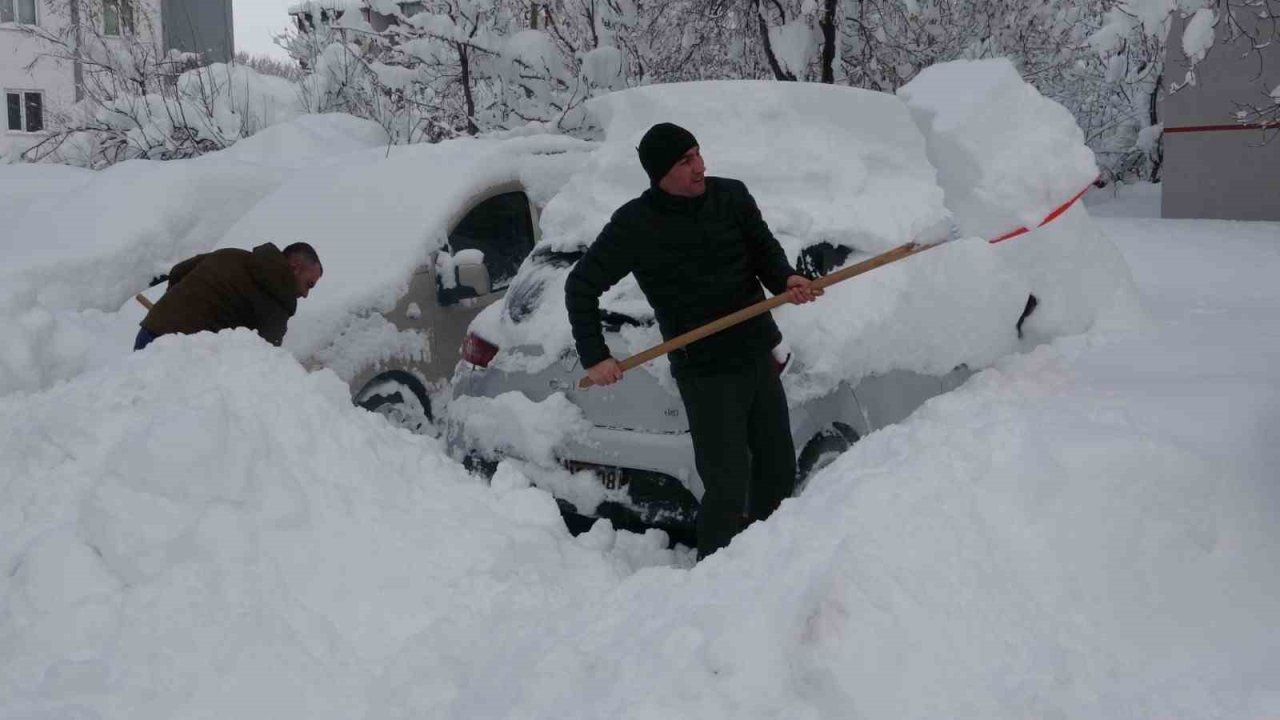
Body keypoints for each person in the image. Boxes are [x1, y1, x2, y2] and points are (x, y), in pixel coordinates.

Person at [564, 122, 821, 560]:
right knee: (726, 484)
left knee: (778, 470)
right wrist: (595, 356)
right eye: (686, 161)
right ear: (660, 172)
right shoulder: (635, 224)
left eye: (699, 154)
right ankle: (715, 580)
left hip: (756, 353)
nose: (700, 166)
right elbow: (580, 286)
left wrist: (786, 278)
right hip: (705, 370)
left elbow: (763, 250)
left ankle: (770, 563)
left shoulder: (731, 196)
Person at [134, 242, 323, 351]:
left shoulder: (232, 254)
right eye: (309, 284)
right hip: (180, 355)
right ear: (295, 267)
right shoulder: (277, 297)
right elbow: (265, 355)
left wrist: (174, 309)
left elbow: (178, 271)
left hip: (151, 330)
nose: (306, 294)